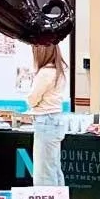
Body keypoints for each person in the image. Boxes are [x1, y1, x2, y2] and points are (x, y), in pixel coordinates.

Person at [28, 43, 67, 188]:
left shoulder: (44, 73)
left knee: (43, 172)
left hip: (45, 120)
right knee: (54, 168)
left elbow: (32, 98)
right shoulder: (59, 71)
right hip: (55, 119)